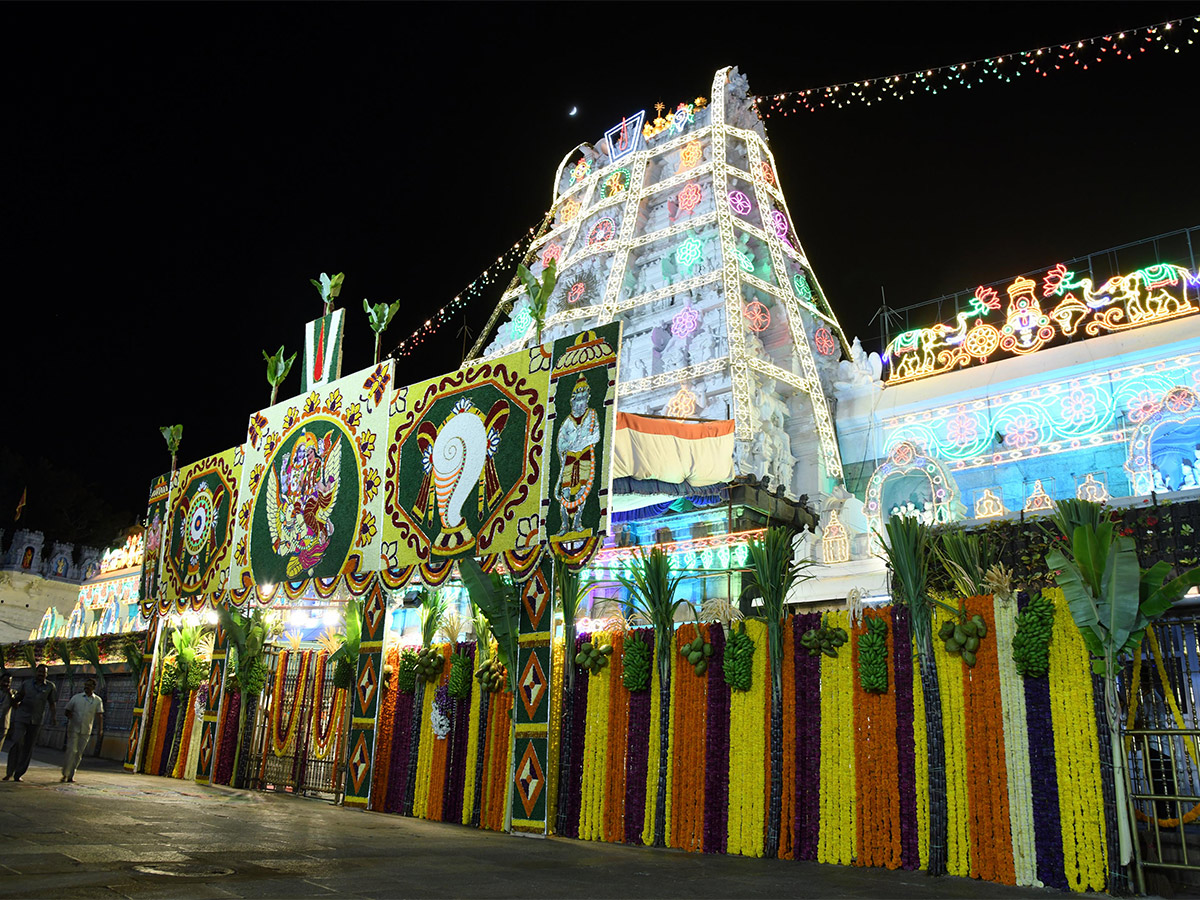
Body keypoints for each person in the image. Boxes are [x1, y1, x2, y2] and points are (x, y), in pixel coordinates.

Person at [3, 664, 57, 782]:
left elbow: (52, 703)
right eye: (39, 672)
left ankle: (19, 773)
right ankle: (9, 772)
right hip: (21, 717)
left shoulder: (50, 687)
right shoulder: (26, 684)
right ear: (35, 672)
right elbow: (17, 698)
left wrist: (53, 717)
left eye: (44, 672)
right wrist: (10, 696)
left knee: (28, 746)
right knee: (17, 742)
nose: (41, 674)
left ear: (46, 674)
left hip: (36, 720)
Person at [61, 677, 104, 783]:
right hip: (73, 728)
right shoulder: (76, 698)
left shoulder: (97, 700)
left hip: (86, 730)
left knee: (79, 753)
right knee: (71, 750)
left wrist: (100, 729)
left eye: (89, 685)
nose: (87, 687)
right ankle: (65, 774)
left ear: (94, 687)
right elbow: (67, 710)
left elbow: (99, 715)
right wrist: (70, 716)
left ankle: (71, 774)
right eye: (86, 685)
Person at [0, 673, 13, 744]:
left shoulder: (12, 693)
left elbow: (16, 706)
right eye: (4, 681)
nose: (5, 684)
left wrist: (11, 695)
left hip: (3, 724)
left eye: (8, 682)